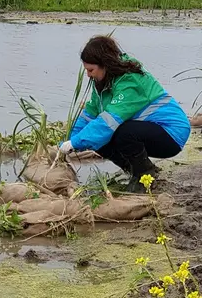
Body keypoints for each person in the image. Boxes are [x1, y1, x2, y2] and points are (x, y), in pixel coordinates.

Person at [59, 36, 191, 192]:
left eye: (91, 70)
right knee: (99, 140)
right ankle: (135, 171)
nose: (88, 75)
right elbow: (90, 113)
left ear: (105, 65)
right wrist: (71, 138)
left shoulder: (130, 82)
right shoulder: (103, 82)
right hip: (149, 130)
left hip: (172, 134)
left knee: (121, 132)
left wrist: (75, 143)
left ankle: (144, 173)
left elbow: (108, 122)